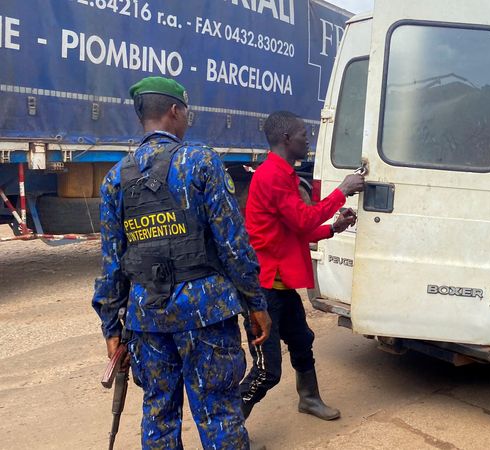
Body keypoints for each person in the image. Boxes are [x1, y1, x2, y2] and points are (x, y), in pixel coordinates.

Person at [92, 76, 271, 449]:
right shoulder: (202, 162)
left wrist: (111, 329)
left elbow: (111, 266)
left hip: (148, 319)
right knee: (219, 412)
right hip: (205, 313)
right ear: (175, 111)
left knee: (158, 414)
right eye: (186, 111)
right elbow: (234, 246)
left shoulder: (115, 180)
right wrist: (255, 303)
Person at [239, 110, 365, 420]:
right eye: (302, 134)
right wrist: (342, 190)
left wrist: (333, 228)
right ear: (285, 138)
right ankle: (226, 430)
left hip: (278, 285)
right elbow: (302, 218)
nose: (307, 138)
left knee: (302, 341)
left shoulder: (283, 174)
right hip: (263, 289)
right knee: (267, 371)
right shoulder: (271, 176)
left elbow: (296, 228)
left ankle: (308, 398)